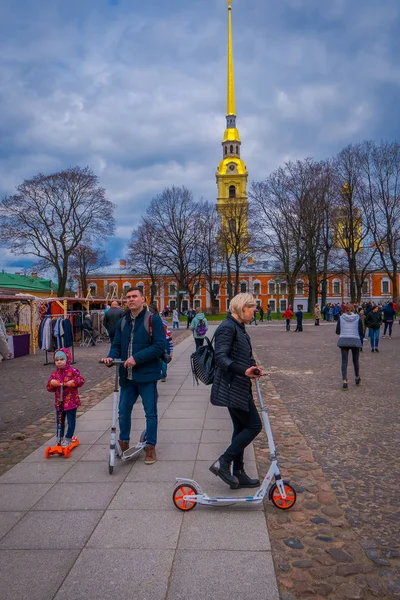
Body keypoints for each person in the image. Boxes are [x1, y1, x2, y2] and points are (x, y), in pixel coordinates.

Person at [101, 287, 166, 465]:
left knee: (150, 413)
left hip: (147, 376)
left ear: (142, 299)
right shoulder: (123, 321)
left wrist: (137, 358)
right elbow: (116, 345)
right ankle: (124, 441)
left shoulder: (153, 319)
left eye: (134, 296)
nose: (131, 299)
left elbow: (160, 346)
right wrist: (111, 357)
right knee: (123, 411)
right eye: (128, 297)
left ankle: (150, 446)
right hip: (127, 377)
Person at [209, 293, 262, 489]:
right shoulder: (227, 327)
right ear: (242, 307)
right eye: (252, 308)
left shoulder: (238, 327)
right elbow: (220, 358)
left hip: (239, 385)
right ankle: (223, 462)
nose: (255, 312)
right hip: (232, 387)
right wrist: (243, 370)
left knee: (240, 428)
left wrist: (252, 366)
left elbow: (241, 355)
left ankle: (238, 473)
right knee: (255, 426)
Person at [46, 348, 85, 446]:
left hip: (71, 402)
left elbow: (81, 380)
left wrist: (74, 382)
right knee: (60, 421)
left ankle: (68, 438)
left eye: (61, 359)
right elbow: (49, 388)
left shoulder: (73, 371)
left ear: (67, 359)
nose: (59, 362)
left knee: (71, 421)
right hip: (59, 403)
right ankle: (59, 438)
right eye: (57, 360)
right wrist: (52, 383)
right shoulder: (54, 374)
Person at [336, 303, 363, 389]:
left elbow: (337, 331)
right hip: (355, 339)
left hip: (344, 340)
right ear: (353, 309)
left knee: (344, 362)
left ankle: (345, 381)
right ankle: (357, 377)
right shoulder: (358, 317)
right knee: (355, 360)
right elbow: (361, 331)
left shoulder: (341, 318)